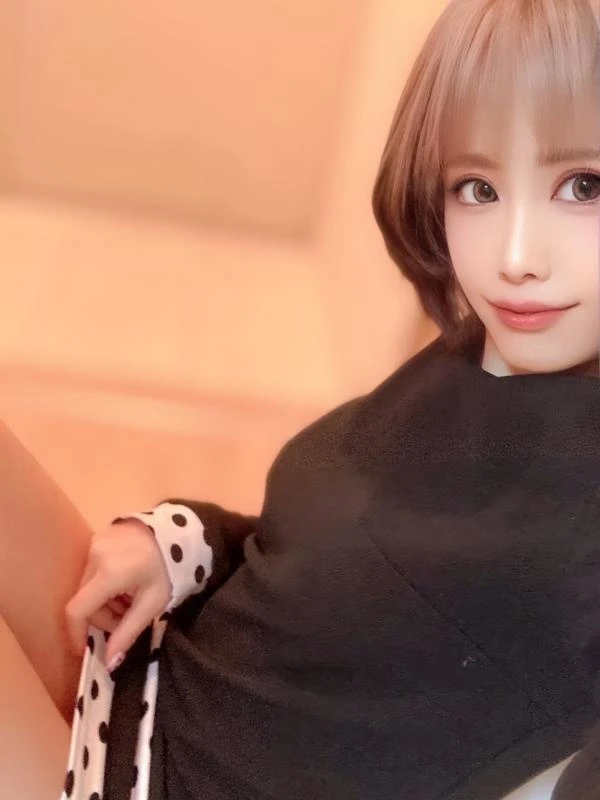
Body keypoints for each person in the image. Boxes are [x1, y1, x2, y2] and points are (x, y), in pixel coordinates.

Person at [2, 0, 600, 797]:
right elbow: (318, 556)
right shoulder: (480, 358)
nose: (516, 256)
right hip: (148, 681)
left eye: (584, 185)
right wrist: (184, 544)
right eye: (477, 188)